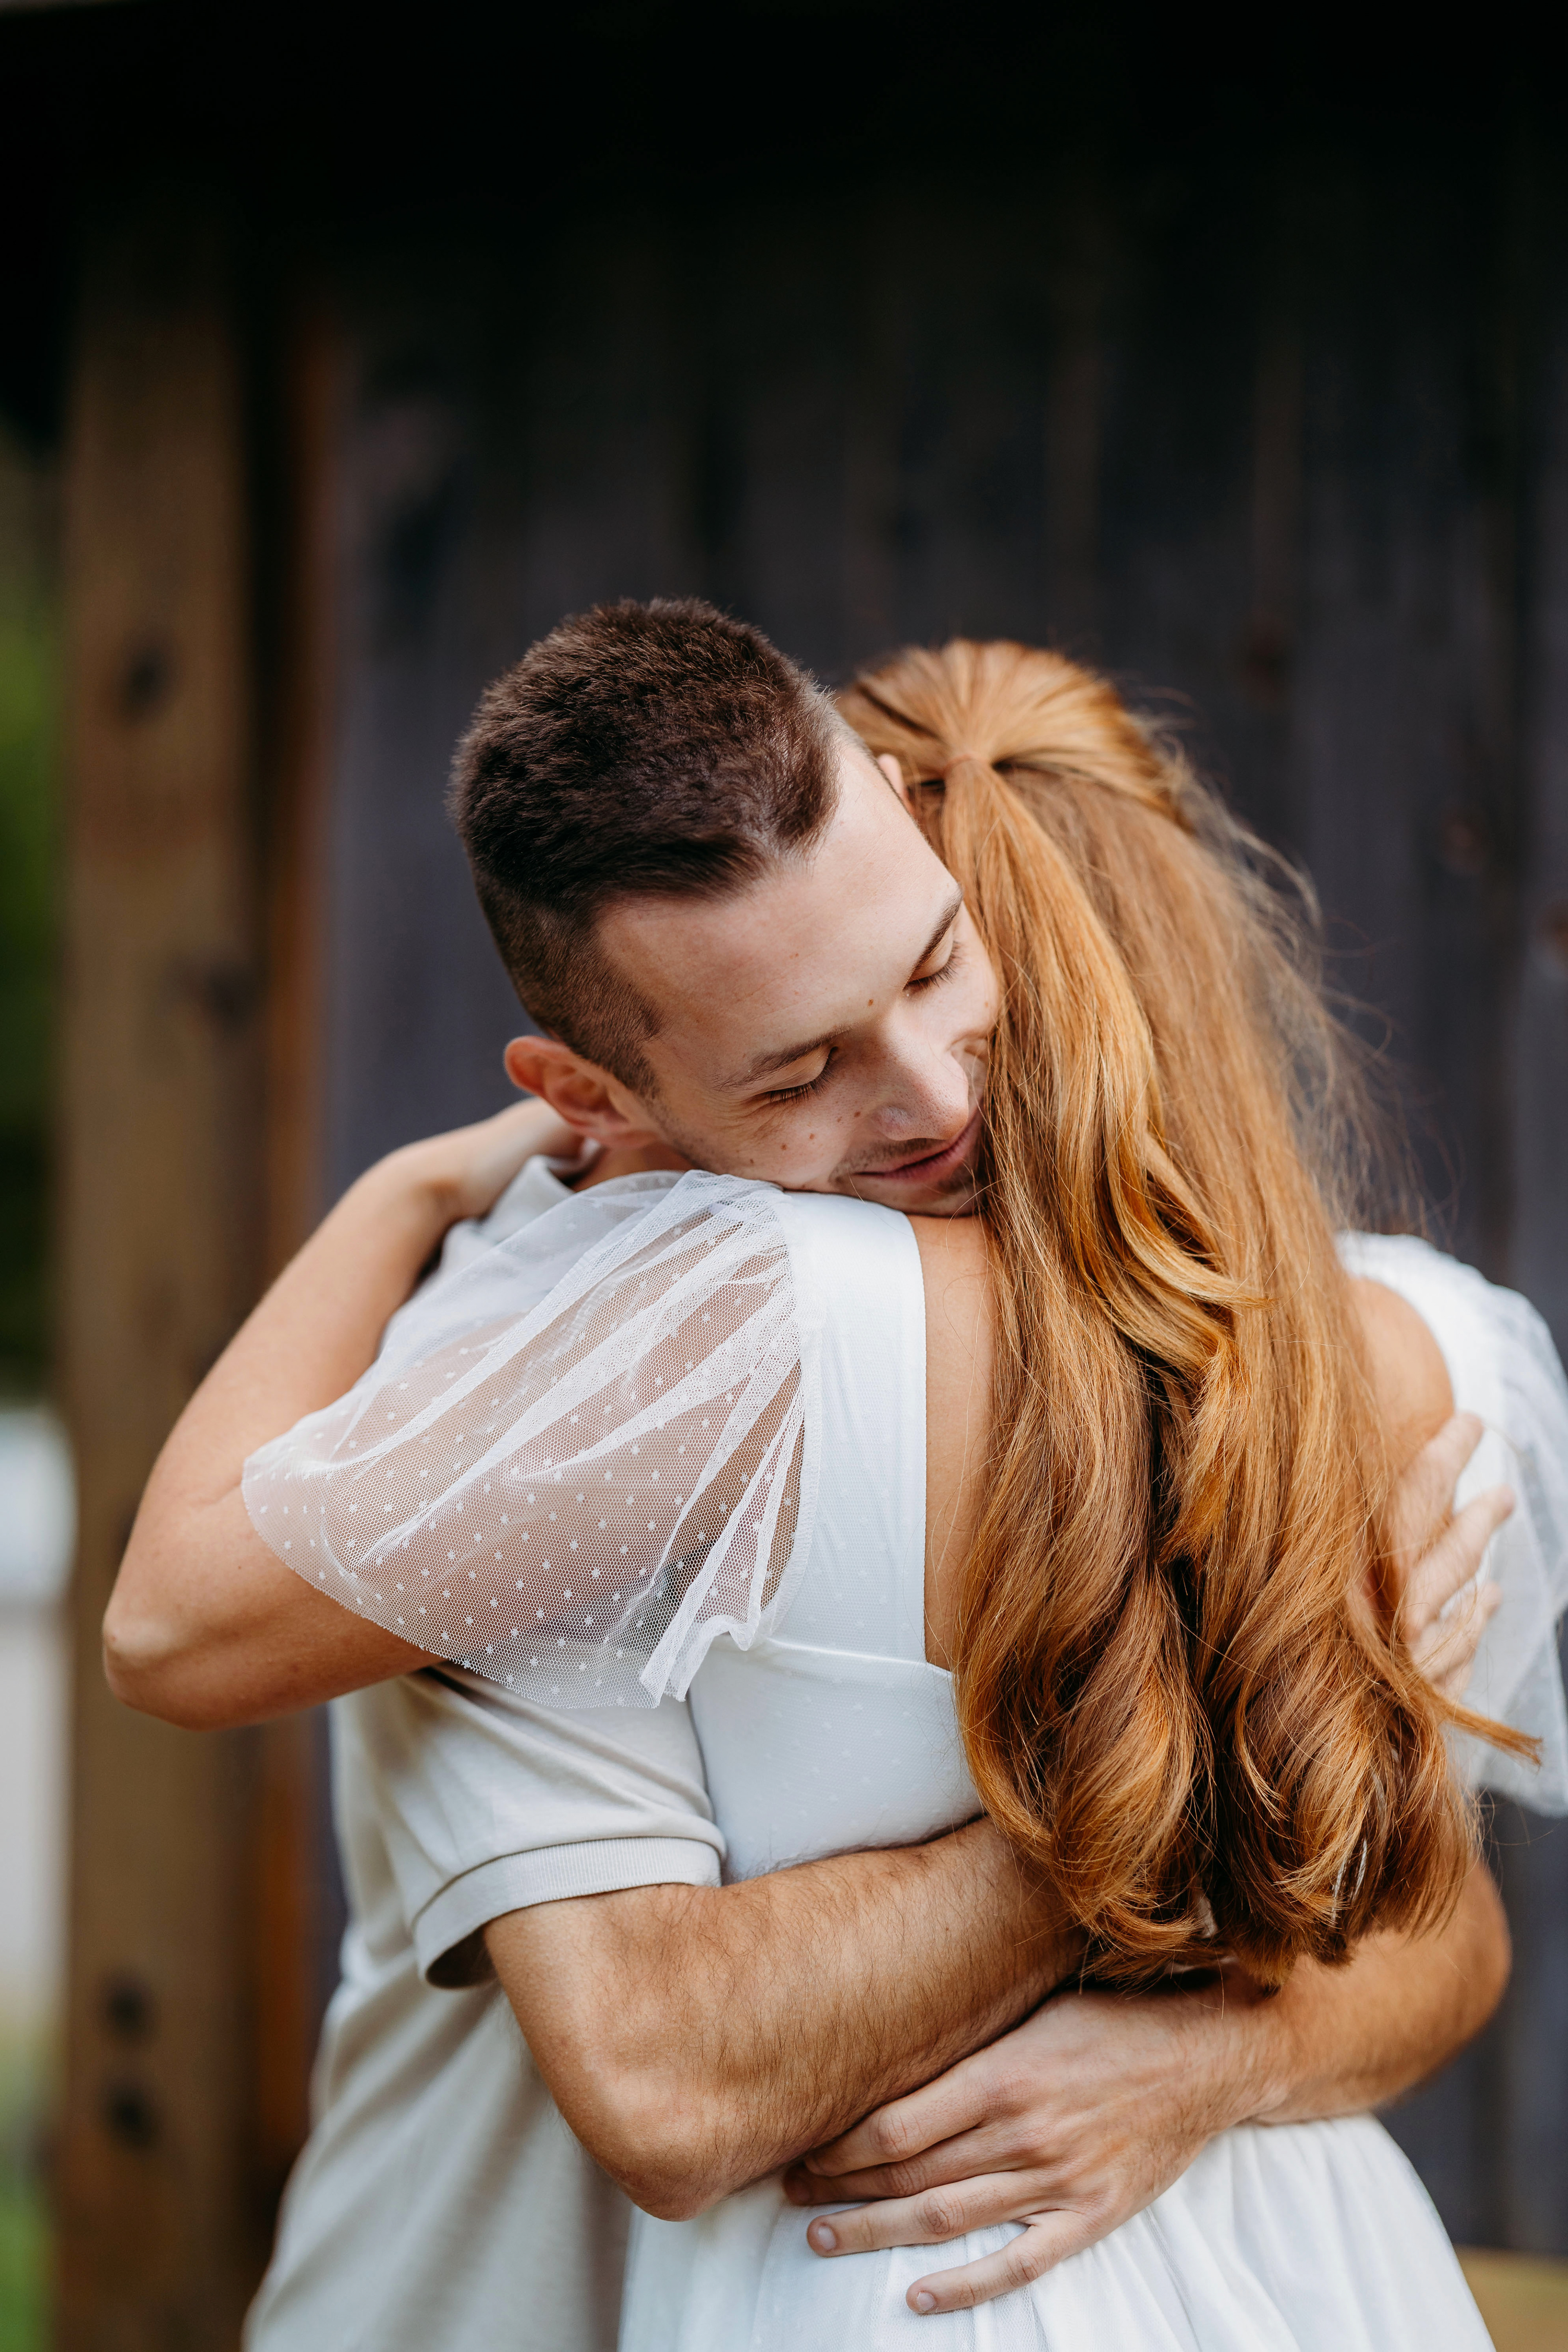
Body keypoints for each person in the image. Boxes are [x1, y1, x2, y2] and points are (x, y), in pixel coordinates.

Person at [105, 608, 1565, 2345]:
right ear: (597, 1101)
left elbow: (1453, 1934)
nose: (934, 1096)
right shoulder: (621, 1348)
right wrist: (1230, 1704)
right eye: (800, 1071)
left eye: (941, 966)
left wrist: (1211, 2057)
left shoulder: (1354, 1339)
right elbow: (664, 2078)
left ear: (908, 818)